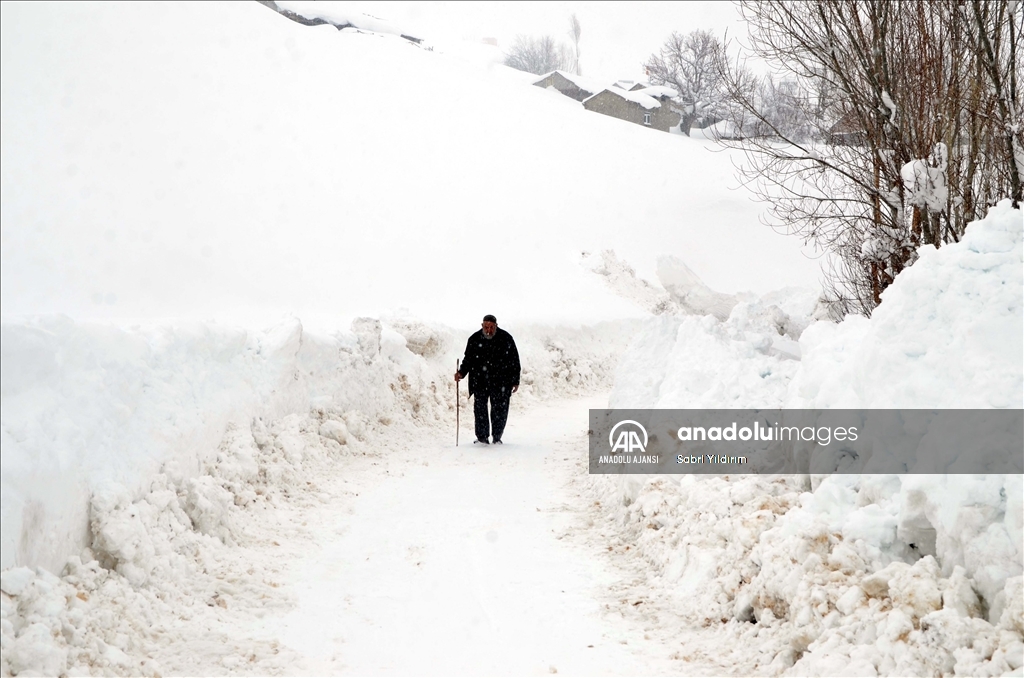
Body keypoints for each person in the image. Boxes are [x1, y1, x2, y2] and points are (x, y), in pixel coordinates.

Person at [454, 314, 520, 445]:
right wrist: (461, 373)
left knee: (500, 410)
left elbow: (514, 360)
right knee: (480, 410)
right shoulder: (474, 339)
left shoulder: (506, 338)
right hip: (480, 380)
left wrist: (515, 380)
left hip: (501, 381)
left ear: (496, 326)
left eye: (491, 327)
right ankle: (482, 438)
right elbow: (468, 359)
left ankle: (497, 437)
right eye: (486, 327)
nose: (488, 330)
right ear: (482, 325)